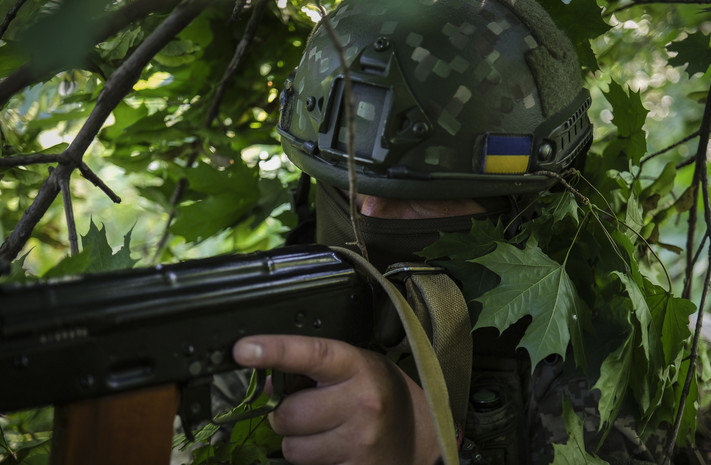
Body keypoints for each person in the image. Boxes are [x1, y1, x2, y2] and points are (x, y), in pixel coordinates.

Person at [224, 0, 627, 464]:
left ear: (527, 214)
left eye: (417, 199)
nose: (368, 213)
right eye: (343, 189)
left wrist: (438, 452)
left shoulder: (603, 371)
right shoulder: (254, 349)